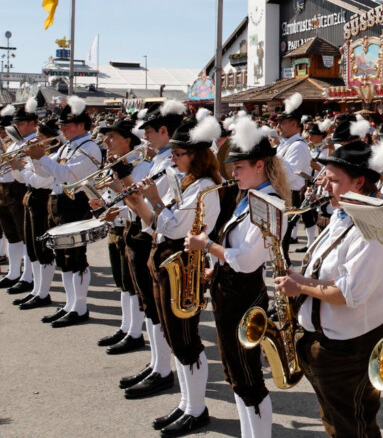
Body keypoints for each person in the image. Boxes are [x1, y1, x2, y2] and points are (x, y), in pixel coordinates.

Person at [275, 139, 383, 437]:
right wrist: (301, 279)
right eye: (326, 178)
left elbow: (349, 293)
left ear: (359, 182)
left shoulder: (373, 223)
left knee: (353, 427)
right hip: (330, 341)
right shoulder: (344, 213)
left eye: (334, 180)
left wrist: (301, 286)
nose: (325, 186)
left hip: (349, 349)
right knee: (337, 424)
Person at [185, 116, 285, 437]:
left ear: (259, 166)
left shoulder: (267, 202)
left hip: (244, 293)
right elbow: (238, 252)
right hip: (231, 290)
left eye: (239, 167)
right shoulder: (250, 198)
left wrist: (207, 245)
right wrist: (217, 268)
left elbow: (246, 260)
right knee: (236, 378)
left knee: (249, 379)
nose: (232, 173)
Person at [124, 115, 223, 436]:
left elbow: (175, 227)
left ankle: (197, 409)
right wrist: (138, 203)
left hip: (185, 266)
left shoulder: (205, 188)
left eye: (179, 154)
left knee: (186, 340)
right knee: (174, 337)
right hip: (168, 260)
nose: (174, 159)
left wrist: (152, 199)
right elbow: (158, 223)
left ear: (196, 155)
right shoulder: (186, 182)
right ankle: (186, 403)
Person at [119, 102, 186, 397]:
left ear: (163, 131)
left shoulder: (171, 163)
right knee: (150, 305)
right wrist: (129, 196)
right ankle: (158, 363)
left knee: (159, 309)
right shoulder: (161, 159)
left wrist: (139, 199)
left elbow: (166, 210)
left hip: (158, 235)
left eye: (148, 130)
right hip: (152, 231)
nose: (144, 135)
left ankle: (162, 371)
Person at [23, 95, 102, 328]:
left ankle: (80, 307)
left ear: (80, 125)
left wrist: (42, 157)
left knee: (75, 257)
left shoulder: (89, 147)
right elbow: (46, 174)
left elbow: (68, 175)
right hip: (58, 202)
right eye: (62, 125)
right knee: (63, 258)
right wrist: (36, 158)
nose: (63, 129)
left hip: (75, 204)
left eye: (67, 125)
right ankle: (70, 305)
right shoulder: (69, 145)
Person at [91, 118, 151, 353]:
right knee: (123, 282)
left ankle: (135, 333)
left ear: (128, 140)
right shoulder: (119, 163)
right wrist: (104, 204)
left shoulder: (142, 166)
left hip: (136, 227)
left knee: (134, 284)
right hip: (120, 226)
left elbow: (141, 204)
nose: (106, 141)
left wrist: (118, 199)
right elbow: (116, 194)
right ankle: (127, 327)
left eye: (112, 137)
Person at [12, 118, 60, 310]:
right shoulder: (41, 157)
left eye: (41, 136)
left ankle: (43, 293)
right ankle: (37, 290)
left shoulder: (52, 156)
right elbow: (24, 180)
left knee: (43, 249)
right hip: (31, 197)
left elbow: (39, 181)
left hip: (42, 199)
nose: (36, 139)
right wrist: (18, 168)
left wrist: (24, 167)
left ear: (49, 138)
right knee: (32, 248)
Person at [0, 99, 40, 295]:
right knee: (12, 235)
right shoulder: (16, 142)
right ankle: (14, 272)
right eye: (17, 124)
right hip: (6, 188)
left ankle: (28, 277)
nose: (18, 127)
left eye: (22, 123)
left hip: (20, 188)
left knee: (25, 237)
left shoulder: (35, 141)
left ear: (33, 123)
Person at [276, 94, 315, 255]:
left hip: (289, 194)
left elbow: (290, 175)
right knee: (278, 237)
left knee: (283, 238)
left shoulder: (298, 146)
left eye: (283, 123)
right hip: (283, 192)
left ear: (294, 124)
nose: (279, 126)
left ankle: (285, 270)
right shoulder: (287, 144)